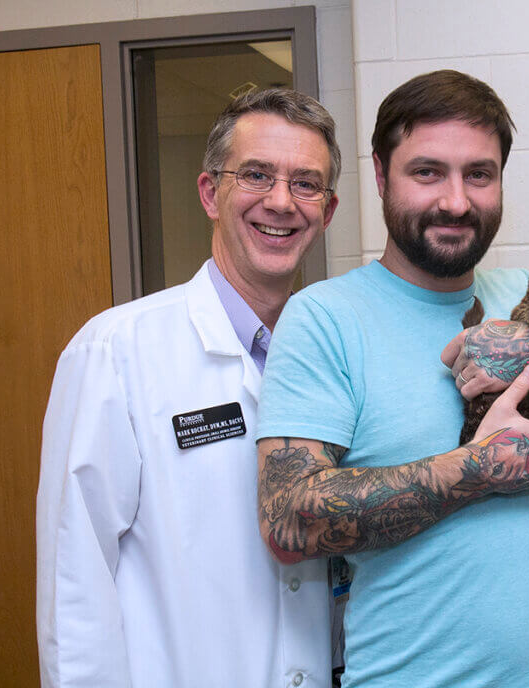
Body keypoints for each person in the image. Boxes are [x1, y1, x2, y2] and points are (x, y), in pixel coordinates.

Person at [256, 70, 529, 687]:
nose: (457, 201)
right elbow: (289, 521)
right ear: (382, 177)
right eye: (427, 172)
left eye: (479, 175)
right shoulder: (324, 317)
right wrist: (478, 467)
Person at [36, 88, 341, 688]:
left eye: (306, 184)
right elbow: (74, 582)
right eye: (257, 175)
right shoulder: (116, 352)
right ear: (210, 193)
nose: (282, 202)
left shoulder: (336, 355)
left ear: (327, 212)